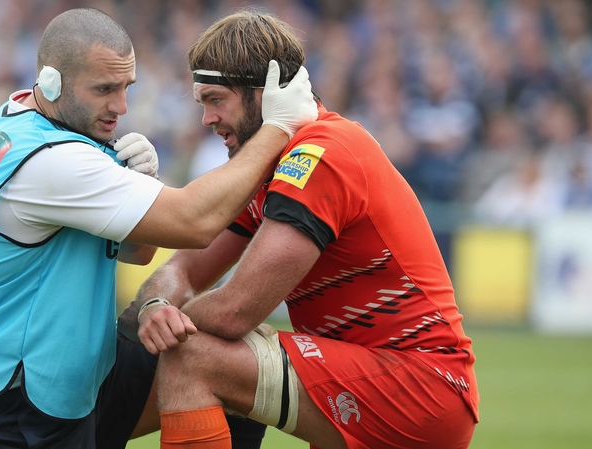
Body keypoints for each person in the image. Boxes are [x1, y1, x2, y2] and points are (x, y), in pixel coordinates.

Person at [0, 8, 318, 448]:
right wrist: (278, 128)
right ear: (52, 82)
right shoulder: (52, 162)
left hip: (69, 382)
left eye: (126, 88)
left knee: (231, 370)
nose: (121, 107)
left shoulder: (31, 118)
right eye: (104, 89)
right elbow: (196, 222)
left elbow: (138, 251)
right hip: (4, 403)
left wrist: (142, 186)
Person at [118, 10, 479, 449]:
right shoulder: (267, 166)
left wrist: (165, 323)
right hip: (369, 374)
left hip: (419, 387)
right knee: (201, 351)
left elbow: (236, 310)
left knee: (195, 356)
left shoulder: (320, 154)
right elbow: (184, 271)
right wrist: (158, 303)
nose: (206, 119)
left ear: (265, 95)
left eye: (216, 100)